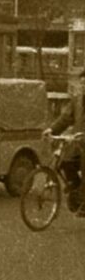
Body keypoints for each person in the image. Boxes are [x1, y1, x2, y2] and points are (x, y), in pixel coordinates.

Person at [44, 68, 85, 216]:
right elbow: (66, 118)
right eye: (82, 84)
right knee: (65, 161)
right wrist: (52, 130)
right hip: (79, 143)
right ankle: (77, 190)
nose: (83, 87)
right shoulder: (78, 100)